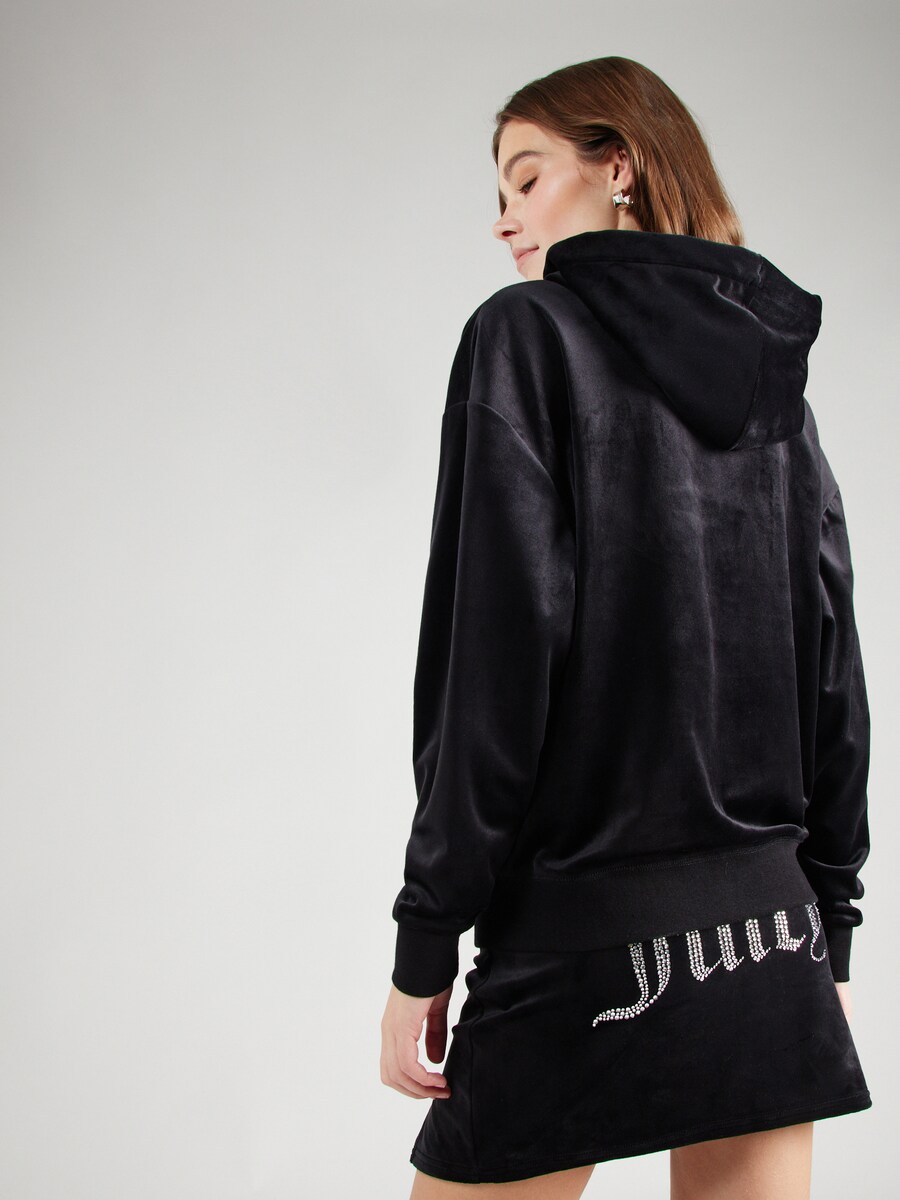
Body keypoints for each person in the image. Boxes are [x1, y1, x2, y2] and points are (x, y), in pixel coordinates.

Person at [379, 55, 872, 1199]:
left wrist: (424, 945)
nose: (505, 218)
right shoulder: (778, 388)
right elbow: (834, 681)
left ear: (621, 167)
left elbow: (488, 673)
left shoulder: (525, 334)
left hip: (583, 939)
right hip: (769, 940)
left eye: (527, 176)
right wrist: (829, 928)